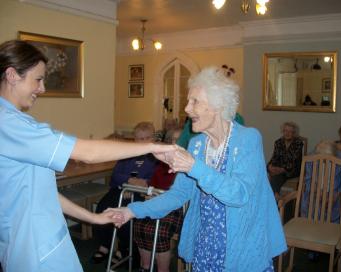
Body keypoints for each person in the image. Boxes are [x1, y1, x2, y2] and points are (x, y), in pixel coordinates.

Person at [0, 40, 174, 272]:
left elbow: (41, 192)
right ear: (12, 75)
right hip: (35, 247)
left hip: (36, 241)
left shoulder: (13, 123)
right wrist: (152, 146)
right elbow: (89, 153)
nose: (42, 89)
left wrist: (95, 218)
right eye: (38, 79)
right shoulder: (10, 124)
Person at [112, 66, 287, 271]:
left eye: (194, 101)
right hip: (205, 246)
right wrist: (131, 211)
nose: (186, 108)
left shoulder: (248, 138)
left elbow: (239, 195)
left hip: (242, 246)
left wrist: (194, 167)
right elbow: (178, 195)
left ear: (218, 105)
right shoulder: (197, 144)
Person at [91, 122, 158, 265]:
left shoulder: (156, 158)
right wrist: (128, 181)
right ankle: (105, 245)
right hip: (121, 189)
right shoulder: (128, 154)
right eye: (140, 138)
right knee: (103, 206)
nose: (144, 141)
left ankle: (125, 249)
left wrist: (139, 185)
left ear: (153, 138)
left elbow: (156, 179)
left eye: (147, 138)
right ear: (134, 139)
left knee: (126, 214)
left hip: (143, 193)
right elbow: (116, 175)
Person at [134, 128, 183, 272]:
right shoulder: (162, 163)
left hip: (177, 207)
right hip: (156, 201)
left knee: (159, 232)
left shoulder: (188, 162)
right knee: (139, 226)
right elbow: (152, 184)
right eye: (174, 139)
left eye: (180, 139)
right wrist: (149, 192)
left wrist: (160, 196)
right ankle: (146, 266)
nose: (177, 142)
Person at [267, 122, 304, 197]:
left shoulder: (298, 143)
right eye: (285, 131)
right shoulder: (278, 142)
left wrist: (281, 169)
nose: (287, 133)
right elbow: (275, 157)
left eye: (290, 132)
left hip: (293, 169)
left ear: (294, 133)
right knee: (267, 173)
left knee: (276, 176)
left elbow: (293, 160)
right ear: (282, 131)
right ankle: (275, 196)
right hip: (280, 169)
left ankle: (275, 196)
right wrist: (270, 167)